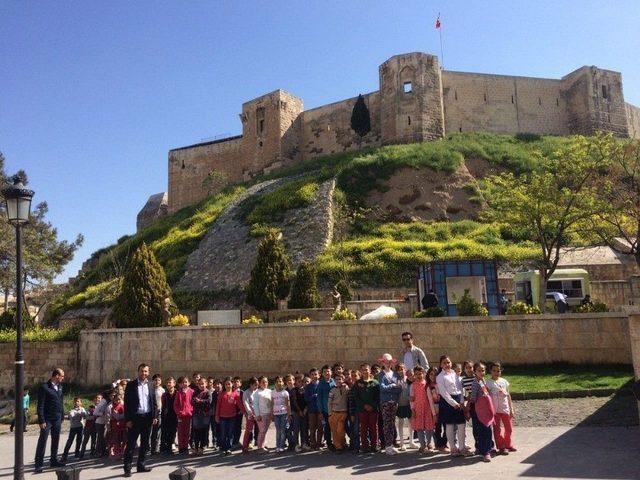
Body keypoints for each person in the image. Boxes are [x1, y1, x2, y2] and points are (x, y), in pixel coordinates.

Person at [122, 363, 157, 477]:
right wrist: (128, 420)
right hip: (135, 419)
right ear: (138, 371)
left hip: (147, 418)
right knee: (131, 444)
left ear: (148, 372)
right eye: (142, 371)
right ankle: (127, 468)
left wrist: (154, 416)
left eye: (146, 371)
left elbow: (154, 402)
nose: (144, 373)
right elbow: (126, 404)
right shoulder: (131, 385)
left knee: (145, 444)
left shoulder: (151, 384)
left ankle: (141, 465)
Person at [436, 355, 468, 457]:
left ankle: (462, 447)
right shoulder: (440, 377)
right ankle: (453, 448)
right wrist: (454, 404)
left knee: (461, 425)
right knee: (449, 426)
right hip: (447, 403)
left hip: (458, 399)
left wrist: (462, 401)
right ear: (441, 365)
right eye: (444, 363)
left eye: (448, 362)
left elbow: (460, 388)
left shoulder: (454, 374)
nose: (447, 365)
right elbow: (444, 393)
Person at [34, 367, 65, 473]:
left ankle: (54, 460)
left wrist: (62, 415)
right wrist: (41, 420)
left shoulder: (60, 387)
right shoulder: (44, 387)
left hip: (57, 418)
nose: (63, 378)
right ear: (56, 376)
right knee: (43, 441)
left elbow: (61, 402)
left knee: (55, 440)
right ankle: (38, 464)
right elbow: (40, 405)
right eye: (62, 376)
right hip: (47, 419)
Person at [487, 361, 517, 455]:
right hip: (495, 410)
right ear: (490, 371)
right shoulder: (488, 383)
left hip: (505, 409)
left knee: (509, 428)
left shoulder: (504, 381)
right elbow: (487, 397)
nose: (496, 373)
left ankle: (508, 444)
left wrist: (511, 408)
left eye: (498, 371)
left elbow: (508, 395)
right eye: (494, 371)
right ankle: (501, 446)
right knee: (497, 429)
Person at [469, 362, 495, 462]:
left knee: (487, 429)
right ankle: (485, 452)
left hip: (486, 410)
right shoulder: (475, 383)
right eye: (479, 371)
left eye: (483, 370)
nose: (481, 372)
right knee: (483, 430)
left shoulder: (483, 381)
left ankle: (488, 447)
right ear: (475, 372)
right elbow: (473, 398)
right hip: (479, 410)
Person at [378, 353, 401, 455]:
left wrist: (392, 388)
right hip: (386, 403)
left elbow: (399, 388)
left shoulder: (395, 374)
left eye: (389, 362)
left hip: (394, 402)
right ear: (383, 363)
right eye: (386, 362)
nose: (388, 364)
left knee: (392, 424)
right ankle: (388, 447)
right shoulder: (381, 375)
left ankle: (390, 445)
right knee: (387, 425)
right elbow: (382, 388)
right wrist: (392, 386)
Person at [410, 365, 436, 453]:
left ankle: (429, 443)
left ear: (424, 374)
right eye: (416, 374)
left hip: (427, 408)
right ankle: (422, 445)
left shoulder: (427, 384)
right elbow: (412, 399)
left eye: (420, 374)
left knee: (429, 427)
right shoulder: (413, 386)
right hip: (417, 409)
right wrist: (412, 409)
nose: (418, 376)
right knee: (419, 428)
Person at [353, 363, 379, 453]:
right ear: (361, 371)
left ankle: (374, 445)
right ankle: (364, 446)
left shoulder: (375, 383)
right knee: (363, 428)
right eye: (363, 370)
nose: (365, 371)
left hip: (373, 410)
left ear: (370, 370)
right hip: (362, 410)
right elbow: (356, 397)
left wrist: (372, 405)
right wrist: (364, 405)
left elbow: (378, 397)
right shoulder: (357, 383)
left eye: (366, 369)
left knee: (373, 428)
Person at [427, 366, 447, 452]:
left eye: (435, 374)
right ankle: (439, 445)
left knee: (446, 427)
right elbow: (431, 402)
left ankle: (444, 443)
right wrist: (434, 414)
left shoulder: (441, 384)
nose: (433, 376)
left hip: (444, 408)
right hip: (435, 410)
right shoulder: (429, 387)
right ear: (428, 375)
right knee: (438, 428)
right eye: (431, 374)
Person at [327, 372, 349, 451]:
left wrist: (345, 386)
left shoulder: (346, 388)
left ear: (343, 380)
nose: (338, 381)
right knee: (334, 431)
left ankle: (343, 442)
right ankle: (338, 447)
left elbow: (348, 397)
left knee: (340, 430)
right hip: (334, 413)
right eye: (336, 379)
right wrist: (330, 414)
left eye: (340, 379)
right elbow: (329, 402)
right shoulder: (332, 390)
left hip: (343, 412)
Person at [61, 397, 87, 462]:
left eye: (78, 401)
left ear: (81, 403)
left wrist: (82, 413)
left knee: (79, 441)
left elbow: (85, 416)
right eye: (75, 401)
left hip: (80, 427)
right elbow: (71, 417)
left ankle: (77, 453)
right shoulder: (72, 410)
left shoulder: (82, 409)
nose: (77, 403)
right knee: (70, 441)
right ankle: (64, 455)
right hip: (73, 427)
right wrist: (75, 414)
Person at [192, 377, 213, 455]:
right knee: (196, 431)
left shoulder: (208, 392)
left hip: (205, 415)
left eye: (203, 384)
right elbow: (192, 401)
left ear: (206, 384)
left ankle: (201, 447)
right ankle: (196, 448)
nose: (201, 385)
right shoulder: (195, 392)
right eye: (200, 384)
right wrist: (196, 401)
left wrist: (200, 401)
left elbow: (209, 402)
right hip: (196, 414)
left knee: (203, 432)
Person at [395, 363, 413, 451]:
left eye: (403, 369)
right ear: (397, 371)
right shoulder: (396, 380)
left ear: (405, 370)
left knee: (411, 423)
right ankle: (402, 443)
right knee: (400, 423)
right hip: (400, 404)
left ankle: (411, 442)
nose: (401, 371)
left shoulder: (409, 379)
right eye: (399, 369)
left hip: (408, 404)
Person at [173, 376, 194, 455]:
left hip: (189, 415)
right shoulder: (178, 393)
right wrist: (179, 412)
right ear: (180, 384)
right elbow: (175, 405)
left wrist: (191, 411)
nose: (184, 384)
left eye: (186, 382)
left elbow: (193, 403)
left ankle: (186, 447)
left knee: (187, 431)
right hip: (181, 415)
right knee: (181, 432)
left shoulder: (192, 392)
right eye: (182, 382)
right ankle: (181, 448)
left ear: (189, 383)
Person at [252, 376, 272, 453]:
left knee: (265, 430)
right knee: (262, 431)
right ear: (259, 383)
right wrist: (257, 415)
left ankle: (263, 444)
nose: (265, 383)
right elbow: (255, 405)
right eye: (263, 382)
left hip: (269, 414)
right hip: (261, 415)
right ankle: (260, 447)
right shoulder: (257, 393)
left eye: (266, 382)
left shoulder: (270, 391)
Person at [271, 376, 291, 453]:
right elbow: (272, 403)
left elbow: (288, 404)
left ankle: (282, 446)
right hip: (276, 414)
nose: (279, 383)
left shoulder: (285, 393)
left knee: (282, 430)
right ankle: (278, 446)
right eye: (277, 381)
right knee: (278, 430)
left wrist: (289, 414)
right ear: (275, 383)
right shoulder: (273, 392)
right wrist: (271, 414)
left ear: (283, 383)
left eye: (280, 381)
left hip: (284, 414)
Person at [318, 364, 336, 450]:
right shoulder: (321, 384)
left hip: (336, 408)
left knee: (336, 426)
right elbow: (319, 398)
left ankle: (338, 442)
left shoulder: (334, 381)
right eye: (325, 372)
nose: (327, 373)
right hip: (326, 410)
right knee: (328, 427)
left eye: (328, 371)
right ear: (322, 373)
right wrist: (320, 411)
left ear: (331, 372)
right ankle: (329, 443)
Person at [304, 368, 322, 450]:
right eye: (312, 374)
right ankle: (313, 444)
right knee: (312, 428)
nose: (314, 376)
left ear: (319, 375)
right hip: (311, 410)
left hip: (320, 410)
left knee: (320, 427)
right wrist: (314, 396)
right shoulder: (308, 387)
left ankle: (319, 443)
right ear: (310, 376)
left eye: (316, 374)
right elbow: (306, 398)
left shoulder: (321, 384)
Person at [160, 377, 178, 455]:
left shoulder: (177, 393)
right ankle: (163, 448)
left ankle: (170, 447)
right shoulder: (164, 395)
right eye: (167, 382)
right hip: (166, 416)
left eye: (170, 382)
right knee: (164, 432)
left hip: (174, 415)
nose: (168, 384)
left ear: (174, 383)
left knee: (172, 432)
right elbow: (163, 405)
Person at [106, 391, 126, 458]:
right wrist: (123, 415)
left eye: (119, 399)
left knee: (124, 440)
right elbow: (117, 417)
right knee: (117, 440)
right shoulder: (112, 407)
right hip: (116, 427)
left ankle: (122, 452)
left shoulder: (123, 406)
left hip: (123, 426)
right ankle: (117, 453)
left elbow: (124, 415)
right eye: (116, 399)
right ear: (113, 400)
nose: (118, 401)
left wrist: (122, 415)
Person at [242, 377, 259, 452]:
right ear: (250, 384)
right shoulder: (246, 392)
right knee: (248, 430)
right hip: (250, 415)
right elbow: (246, 403)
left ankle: (260, 444)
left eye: (257, 385)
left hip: (258, 414)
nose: (257, 386)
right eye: (255, 385)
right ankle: (245, 446)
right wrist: (250, 413)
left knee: (259, 430)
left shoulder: (258, 392)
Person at [293, 373, 309, 451]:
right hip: (297, 412)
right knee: (296, 428)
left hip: (304, 412)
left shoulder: (305, 390)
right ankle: (296, 444)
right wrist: (299, 411)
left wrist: (305, 409)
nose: (301, 383)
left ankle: (304, 443)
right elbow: (295, 402)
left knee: (304, 428)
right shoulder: (294, 390)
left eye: (302, 381)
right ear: (295, 382)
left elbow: (307, 401)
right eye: (299, 381)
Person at [149, 373, 164, 455]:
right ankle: (148, 447)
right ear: (153, 381)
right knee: (149, 431)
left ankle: (155, 449)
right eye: (155, 380)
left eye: (159, 380)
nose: (157, 381)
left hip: (159, 412)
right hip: (150, 412)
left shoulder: (162, 390)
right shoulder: (150, 389)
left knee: (157, 431)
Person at [285, 374, 300, 451]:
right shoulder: (285, 391)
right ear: (286, 382)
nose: (291, 382)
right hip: (287, 413)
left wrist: (300, 410)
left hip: (296, 412)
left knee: (296, 428)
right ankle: (290, 443)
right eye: (289, 380)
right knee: (288, 429)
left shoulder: (297, 390)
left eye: (292, 380)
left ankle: (296, 444)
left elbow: (299, 402)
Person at [93, 391, 109, 458]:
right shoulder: (104, 402)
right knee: (100, 438)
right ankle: (98, 452)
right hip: (99, 423)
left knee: (103, 438)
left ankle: (102, 451)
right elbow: (95, 413)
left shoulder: (105, 402)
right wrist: (102, 414)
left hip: (102, 422)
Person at [232, 376, 244, 448]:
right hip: (231, 412)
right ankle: (233, 442)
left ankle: (237, 441)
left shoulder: (242, 392)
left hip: (239, 413)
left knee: (238, 427)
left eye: (237, 382)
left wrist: (241, 411)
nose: (236, 383)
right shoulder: (231, 391)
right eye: (234, 382)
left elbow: (243, 402)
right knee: (232, 427)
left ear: (240, 384)